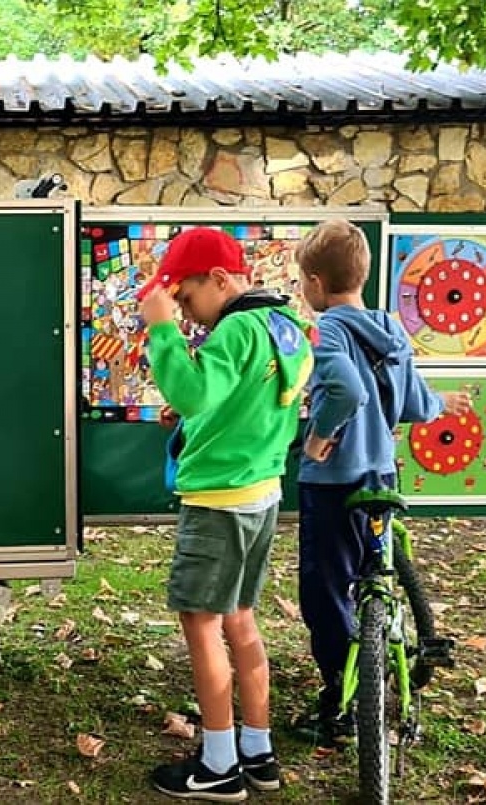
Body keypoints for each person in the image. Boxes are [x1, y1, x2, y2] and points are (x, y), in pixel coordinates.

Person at [138, 227, 313, 800]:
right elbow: (244, 404)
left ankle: (217, 765)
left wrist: (161, 329)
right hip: (261, 492)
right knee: (240, 620)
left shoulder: (234, 330)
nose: (186, 313)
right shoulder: (282, 326)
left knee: (202, 625)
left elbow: (194, 392)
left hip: (219, 502)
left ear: (217, 280)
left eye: (186, 298)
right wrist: (194, 420)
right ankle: (257, 752)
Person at [293, 219, 471, 750]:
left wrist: (320, 436)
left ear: (317, 283)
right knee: (375, 574)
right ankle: (380, 657)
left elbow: (347, 389)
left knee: (325, 590)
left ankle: (338, 700)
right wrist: (442, 404)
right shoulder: (391, 329)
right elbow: (416, 404)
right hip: (381, 476)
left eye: (304, 282)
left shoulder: (328, 330)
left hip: (333, 482)